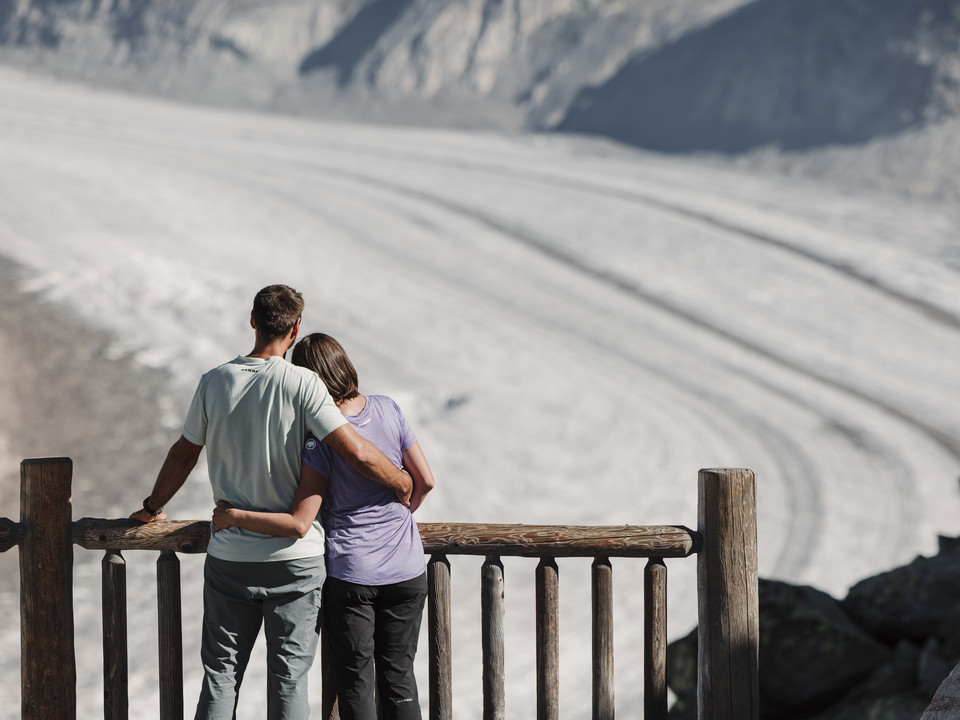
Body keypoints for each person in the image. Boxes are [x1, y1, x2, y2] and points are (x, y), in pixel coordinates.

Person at [130, 286, 413, 720]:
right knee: (288, 680)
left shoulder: (214, 381)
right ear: (295, 329)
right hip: (295, 562)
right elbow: (354, 451)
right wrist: (401, 481)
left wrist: (152, 507)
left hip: (230, 557)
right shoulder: (304, 384)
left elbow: (184, 453)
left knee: (221, 677)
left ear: (252, 321)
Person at [212, 332, 435, 720]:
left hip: (354, 572)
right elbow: (425, 480)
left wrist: (232, 516)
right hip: (407, 568)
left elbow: (302, 519)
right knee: (399, 675)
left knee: (356, 680)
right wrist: (403, 512)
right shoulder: (388, 408)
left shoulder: (321, 438)